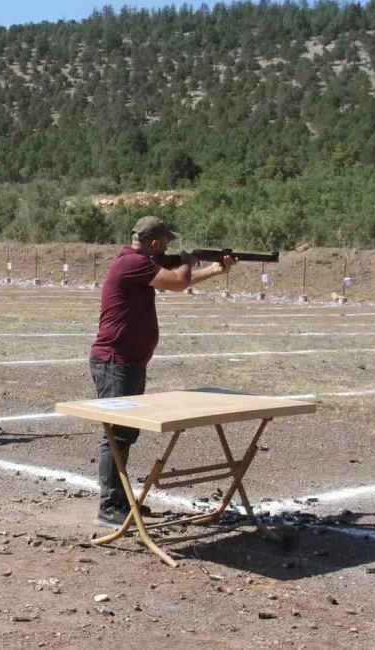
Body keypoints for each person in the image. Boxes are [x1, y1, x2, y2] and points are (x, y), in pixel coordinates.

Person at [90, 216, 234, 527]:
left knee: (125, 433)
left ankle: (118, 501)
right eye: (166, 243)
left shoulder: (139, 265)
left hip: (127, 362)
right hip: (116, 362)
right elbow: (178, 281)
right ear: (155, 243)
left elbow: (174, 283)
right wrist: (185, 261)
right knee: (117, 435)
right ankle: (109, 506)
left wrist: (212, 269)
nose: (168, 247)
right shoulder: (131, 263)